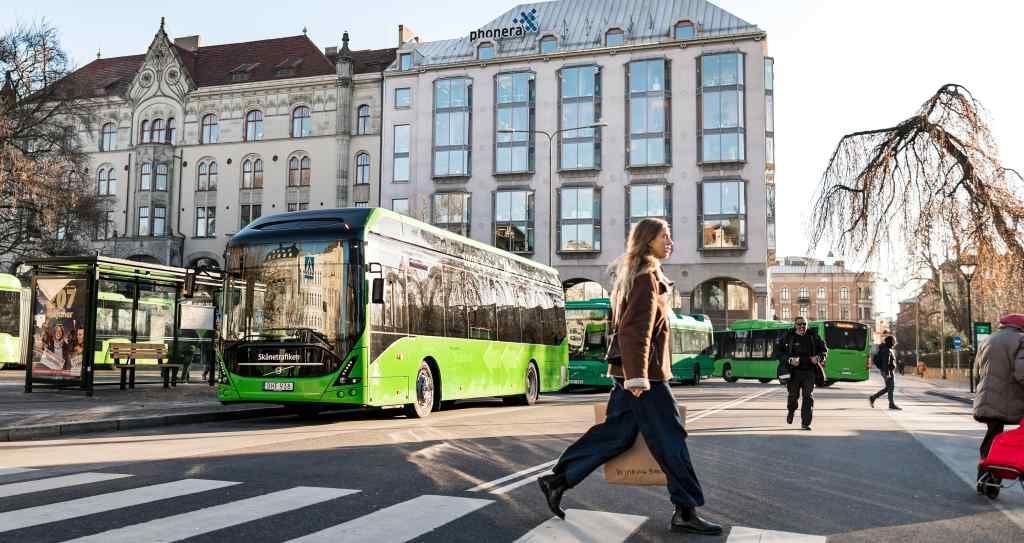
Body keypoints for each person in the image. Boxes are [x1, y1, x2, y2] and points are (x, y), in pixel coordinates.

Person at [537, 218, 720, 536]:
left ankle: (558, 480)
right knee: (671, 438)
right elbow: (636, 330)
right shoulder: (647, 277)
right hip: (644, 377)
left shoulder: (642, 274)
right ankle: (685, 510)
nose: (670, 241)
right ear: (649, 240)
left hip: (633, 374)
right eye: (665, 236)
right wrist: (638, 378)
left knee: (616, 435)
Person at [973, 314, 1024, 482]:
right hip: (1015, 400)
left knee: (993, 435)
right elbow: (1021, 372)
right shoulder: (1021, 340)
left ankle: (986, 476)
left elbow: (976, 372)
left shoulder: (987, 340)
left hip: (988, 399)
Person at [777, 316, 827, 430]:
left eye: (804, 324)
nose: (802, 326)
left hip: (809, 372)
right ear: (795, 325)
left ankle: (805, 423)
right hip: (793, 372)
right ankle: (791, 411)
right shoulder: (788, 337)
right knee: (793, 396)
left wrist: (819, 357)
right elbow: (777, 352)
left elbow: (824, 350)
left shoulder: (813, 336)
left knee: (808, 397)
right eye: (799, 324)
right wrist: (790, 360)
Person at [869, 335, 901, 410]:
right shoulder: (886, 350)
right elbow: (885, 363)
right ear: (890, 341)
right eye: (894, 341)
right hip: (888, 371)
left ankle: (873, 398)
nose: (895, 342)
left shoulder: (887, 349)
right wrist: (887, 374)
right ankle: (891, 404)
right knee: (890, 387)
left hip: (888, 371)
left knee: (888, 388)